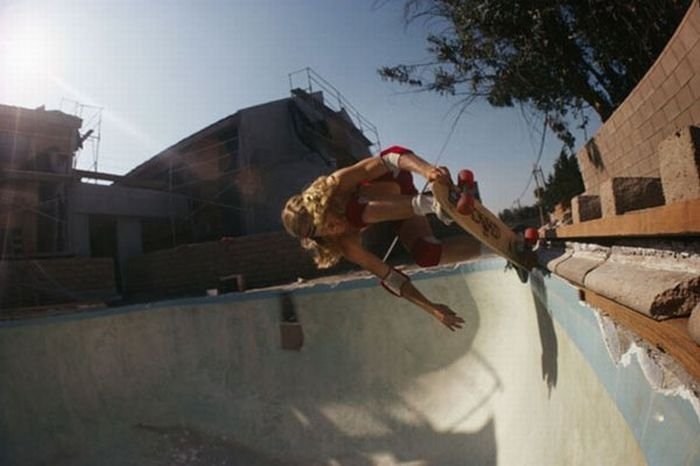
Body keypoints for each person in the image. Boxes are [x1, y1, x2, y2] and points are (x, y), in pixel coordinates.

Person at [281, 145, 482, 331]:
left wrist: (428, 170)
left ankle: (438, 205)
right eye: (323, 234)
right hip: (403, 206)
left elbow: (390, 157)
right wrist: (432, 309)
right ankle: (489, 247)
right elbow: (390, 277)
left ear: (322, 205)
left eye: (326, 222)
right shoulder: (346, 244)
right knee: (427, 255)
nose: (332, 230)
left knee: (355, 212)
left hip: (394, 178)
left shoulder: (338, 185)